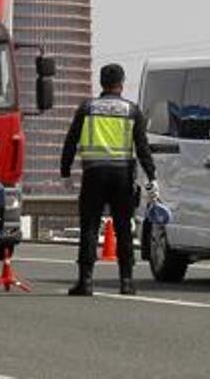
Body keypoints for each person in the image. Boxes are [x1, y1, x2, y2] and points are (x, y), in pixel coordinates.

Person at [60, 63, 157, 296]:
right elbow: (142, 148)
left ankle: (86, 281)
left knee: (90, 226)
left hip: (93, 174)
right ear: (122, 83)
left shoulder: (87, 108)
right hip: (122, 175)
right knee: (124, 227)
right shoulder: (131, 110)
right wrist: (152, 176)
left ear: (101, 83)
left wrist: (65, 172)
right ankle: (126, 282)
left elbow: (71, 141)